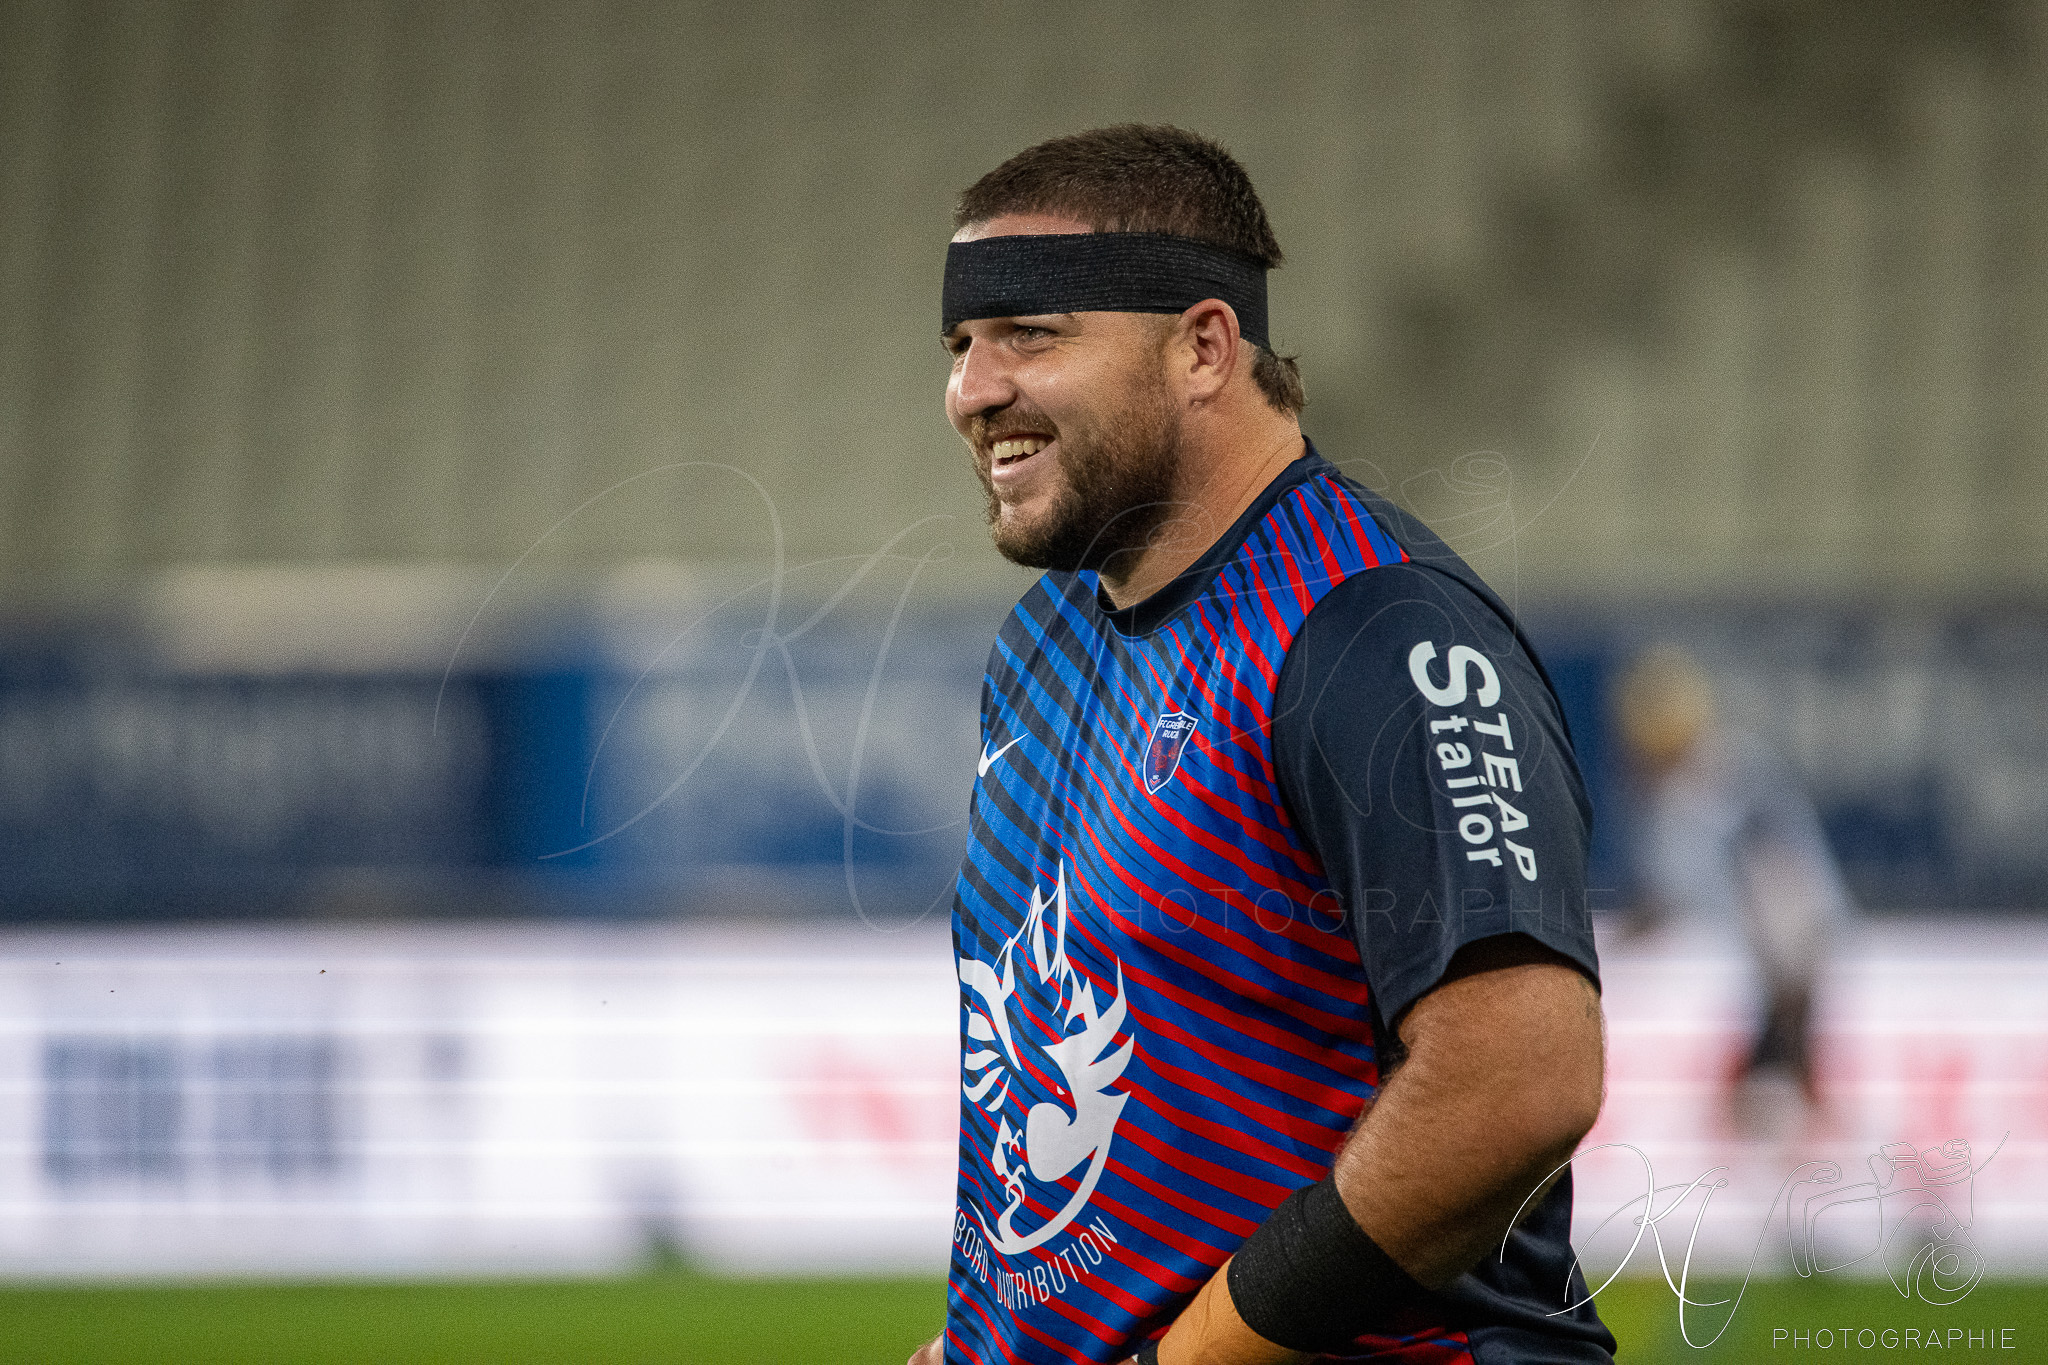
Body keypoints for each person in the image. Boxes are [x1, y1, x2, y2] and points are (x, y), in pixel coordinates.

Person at [912, 126, 1612, 1365]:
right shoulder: (1042, 644)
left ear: (1201, 346)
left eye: (1031, 335)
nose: (973, 389)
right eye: (962, 347)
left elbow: (1519, 1086)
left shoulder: (1370, 631)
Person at [1612, 645, 1852, 1113]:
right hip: (1763, 965)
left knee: (1778, 1096)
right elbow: (1672, 894)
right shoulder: (1675, 795)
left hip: (1789, 962)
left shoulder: (1725, 780)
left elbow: (1785, 889)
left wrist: (1787, 1000)